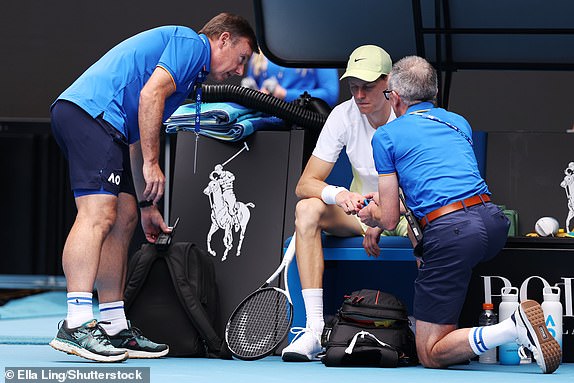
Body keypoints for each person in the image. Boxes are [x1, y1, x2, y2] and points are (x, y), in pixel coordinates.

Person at [49, 13, 258, 362]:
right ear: (222, 39)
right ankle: (76, 323)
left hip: (110, 126)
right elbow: (150, 96)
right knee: (97, 215)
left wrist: (147, 204)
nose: (241, 71)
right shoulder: (192, 44)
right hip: (90, 113)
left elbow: (137, 134)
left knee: (126, 215)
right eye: (242, 58)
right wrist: (152, 163)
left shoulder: (191, 73)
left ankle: (114, 325)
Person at [360, 55, 561, 373]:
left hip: (453, 235)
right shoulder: (458, 121)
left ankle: (513, 328)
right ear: (434, 94)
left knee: (430, 353)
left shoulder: (386, 136)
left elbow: (387, 220)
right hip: (493, 223)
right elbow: (444, 188)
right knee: (432, 251)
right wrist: (391, 206)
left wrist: (371, 214)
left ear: (395, 97)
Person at [281, 45, 408, 362]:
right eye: (354, 86)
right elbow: (305, 184)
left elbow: (420, 191)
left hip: (408, 215)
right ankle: (312, 330)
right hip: (361, 216)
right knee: (306, 209)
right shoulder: (343, 114)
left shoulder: (408, 115)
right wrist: (340, 195)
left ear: (387, 82)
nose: (360, 94)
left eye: (367, 86)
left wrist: (383, 217)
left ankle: (426, 328)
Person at [242, 53, 340, 107]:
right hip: (262, 123)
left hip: (298, 123)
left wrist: (285, 94)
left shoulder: (317, 48)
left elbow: (330, 95)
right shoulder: (262, 47)